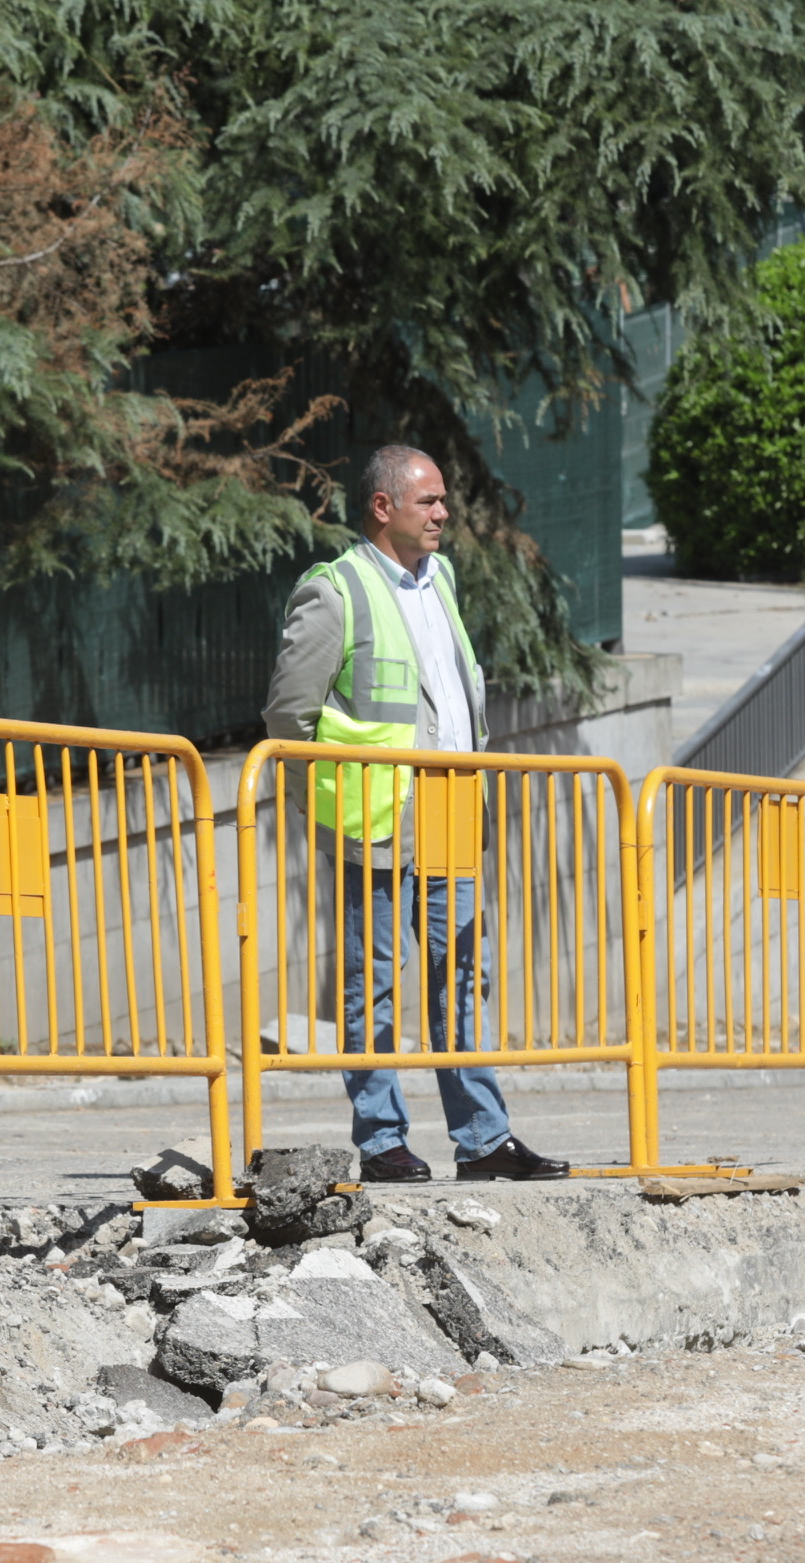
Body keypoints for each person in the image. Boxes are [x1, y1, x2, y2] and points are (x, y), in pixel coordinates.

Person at [263, 442, 567, 1186]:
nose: (442, 513)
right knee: (373, 979)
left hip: (451, 809)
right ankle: (381, 1140)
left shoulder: (442, 579)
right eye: (428, 501)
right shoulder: (336, 592)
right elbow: (288, 717)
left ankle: (484, 1141)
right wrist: (327, 806)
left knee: (461, 973)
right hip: (378, 816)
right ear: (383, 506)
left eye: (441, 500)